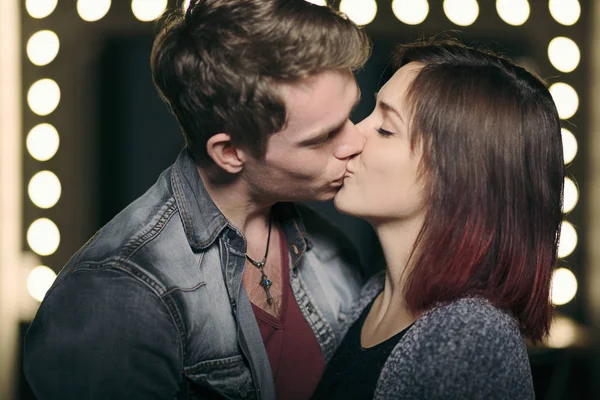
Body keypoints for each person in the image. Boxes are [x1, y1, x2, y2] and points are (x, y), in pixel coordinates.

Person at [23, 1, 370, 398]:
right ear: (230, 152)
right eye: (323, 137)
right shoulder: (116, 293)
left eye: (350, 115)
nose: (357, 141)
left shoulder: (328, 247)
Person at [312, 38, 563, 400]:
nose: (352, 136)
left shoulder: (472, 338)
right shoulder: (370, 295)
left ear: (456, 175)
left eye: (385, 129)